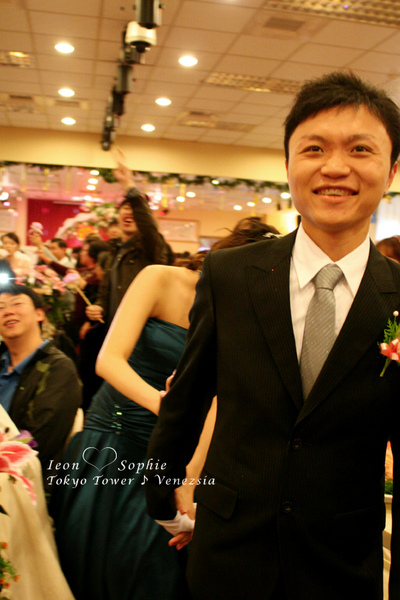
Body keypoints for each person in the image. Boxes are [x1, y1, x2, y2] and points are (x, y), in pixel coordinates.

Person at [145, 71, 400, 600]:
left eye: (360, 149)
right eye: (314, 148)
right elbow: (186, 401)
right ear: (287, 163)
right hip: (227, 553)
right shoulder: (230, 275)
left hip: (341, 562)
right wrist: (161, 500)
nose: (335, 167)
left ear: (392, 169)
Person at [0, 284, 82, 492]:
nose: (8, 311)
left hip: (21, 484)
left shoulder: (58, 369)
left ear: (39, 314)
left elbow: (37, 439)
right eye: (0, 307)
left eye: (16, 304)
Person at [86, 157, 172, 328]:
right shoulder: (114, 249)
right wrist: (99, 307)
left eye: (134, 210)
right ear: (118, 215)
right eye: (126, 207)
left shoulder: (149, 245)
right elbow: (106, 291)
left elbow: (148, 227)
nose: (130, 212)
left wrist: (128, 185)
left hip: (140, 329)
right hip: (112, 329)